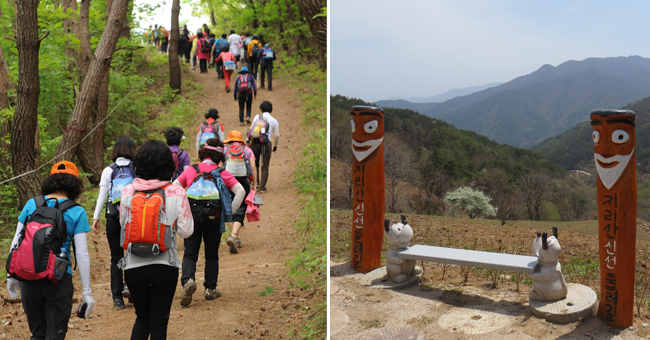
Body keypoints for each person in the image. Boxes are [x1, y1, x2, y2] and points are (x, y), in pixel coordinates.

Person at [7, 161, 94, 339]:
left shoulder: (32, 204)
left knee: (37, 334)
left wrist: (11, 276)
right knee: (55, 335)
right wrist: (87, 294)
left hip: (28, 278)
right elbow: (82, 255)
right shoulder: (77, 211)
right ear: (75, 184)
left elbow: (17, 241)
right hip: (58, 279)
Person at [119, 140, 194, 339]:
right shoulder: (177, 192)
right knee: (159, 324)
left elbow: (123, 224)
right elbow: (186, 231)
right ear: (168, 165)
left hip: (133, 265)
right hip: (164, 265)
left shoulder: (127, 192)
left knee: (142, 317)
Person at [173, 138, 245, 307]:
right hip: (214, 217)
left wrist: (181, 210)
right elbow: (240, 191)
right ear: (220, 156)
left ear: (202, 153)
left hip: (192, 217)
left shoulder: (191, 170)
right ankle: (210, 289)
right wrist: (229, 212)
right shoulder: (222, 172)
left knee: (190, 252)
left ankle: (188, 281)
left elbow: (175, 187)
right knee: (212, 254)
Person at [91, 137, 136, 311]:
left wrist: (96, 218)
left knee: (116, 256)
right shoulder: (136, 169)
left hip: (113, 216)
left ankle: (117, 298)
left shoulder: (108, 170)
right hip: (133, 217)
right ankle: (131, 289)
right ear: (132, 150)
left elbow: (103, 196)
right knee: (134, 253)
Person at [223, 131, 257, 253]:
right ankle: (233, 235)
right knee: (241, 208)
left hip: (228, 182)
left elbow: (221, 166)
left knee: (229, 208)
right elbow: (253, 167)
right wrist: (255, 184)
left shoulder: (225, 150)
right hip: (243, 183)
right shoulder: (247, 150)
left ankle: (234, 236)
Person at [248, 101, 280, 192]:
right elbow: (277, 135)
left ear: (261, 109)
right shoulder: (274, 120)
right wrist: (275, 145)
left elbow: (251, 130)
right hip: (266, 144)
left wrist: (248, 141)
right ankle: (262, 187)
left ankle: (256, 183)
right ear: (271, 110)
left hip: (255, 142)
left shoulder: (257, 117)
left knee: (255, 163)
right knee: (265, 166)